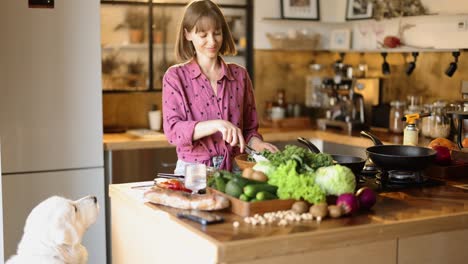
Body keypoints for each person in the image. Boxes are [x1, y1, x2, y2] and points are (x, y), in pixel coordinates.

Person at [162, 0, 278, 174]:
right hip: (193, 172)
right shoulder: (175, 77)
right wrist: (217, 124)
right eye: (203, 35)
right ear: (187, 34)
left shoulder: (240, 75)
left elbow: (248, 130)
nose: (212, 41)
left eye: (217, 33)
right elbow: (173, 132)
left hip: (236, 171)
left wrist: (257, 143)